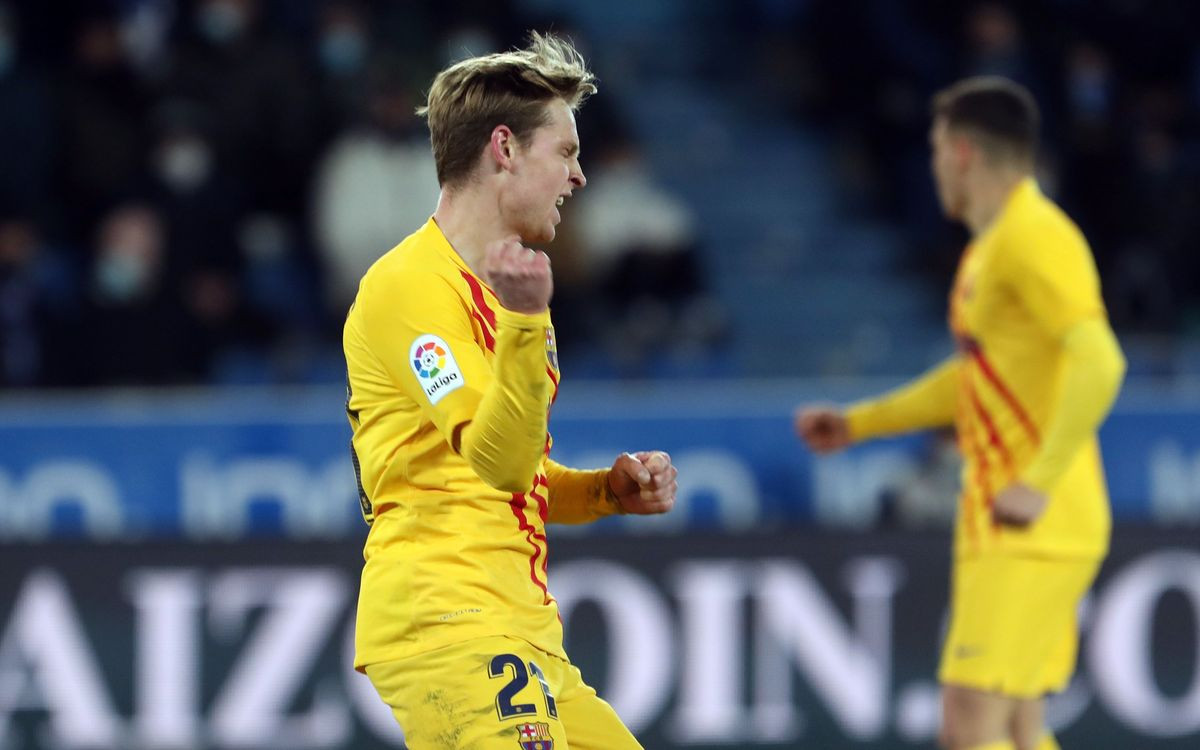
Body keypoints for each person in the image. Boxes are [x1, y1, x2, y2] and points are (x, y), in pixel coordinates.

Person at [343, 32, 676, 750]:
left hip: (525, 633)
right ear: (505, 147)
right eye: (566, 152)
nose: (579, 176)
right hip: (447, 621)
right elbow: (493, 458)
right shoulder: (408, 288)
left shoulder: (515, 296)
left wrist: (606, 493)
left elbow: (513, 473)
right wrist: (524, 324)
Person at [795, 77, 1126, 750]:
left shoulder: (1037, 236)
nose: (934, 164)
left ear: (965, 152)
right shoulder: (990, 250)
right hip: (1007, 518)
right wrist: (859, 423)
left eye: (937, 148)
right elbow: (973, 380)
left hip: (1034, 521)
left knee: (969, 722)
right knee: (1016, 725)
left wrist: (1039, 477)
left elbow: (1101, 360)